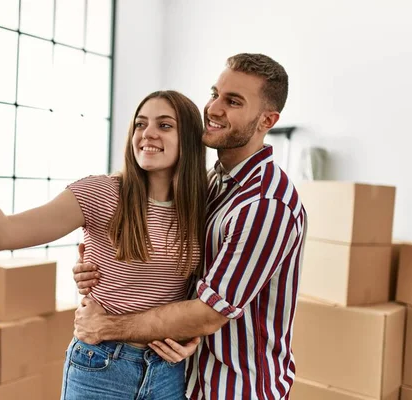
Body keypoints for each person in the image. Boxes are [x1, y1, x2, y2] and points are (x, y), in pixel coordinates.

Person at [0, 87, 208, 399]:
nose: (147, 134)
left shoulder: (204, 206)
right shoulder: (100, 193)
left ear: (191, 139)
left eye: (164, 125)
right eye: (140, 124)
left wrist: (191, 332)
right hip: (101, 366)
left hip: (169, 372)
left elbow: (212, 291)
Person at [73, 53, 308, 399]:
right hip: (186, 378)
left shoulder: (265, 204)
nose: (213, 108)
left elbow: (208, 313)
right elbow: (184, 278)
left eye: (233, 101)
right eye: (215, 93)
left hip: (240, 390)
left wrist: (108, 326)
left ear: (266, 120)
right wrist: (100, 268)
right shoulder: (212, 184)